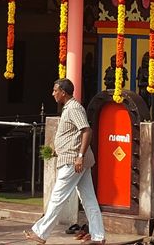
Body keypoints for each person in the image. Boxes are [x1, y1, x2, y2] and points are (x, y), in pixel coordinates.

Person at [24, 78, 105, 245]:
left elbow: (87, 131)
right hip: (73, 160)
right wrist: (57, 149)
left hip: (73, 162)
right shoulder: (69, 108)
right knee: (89, 199)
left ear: (63, 92)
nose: (53, 93)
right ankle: (98, 237)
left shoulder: (74, 108)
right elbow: (73, 135)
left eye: (55, 90)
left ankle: (41, 232)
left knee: (57, 197)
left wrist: (80, 157)